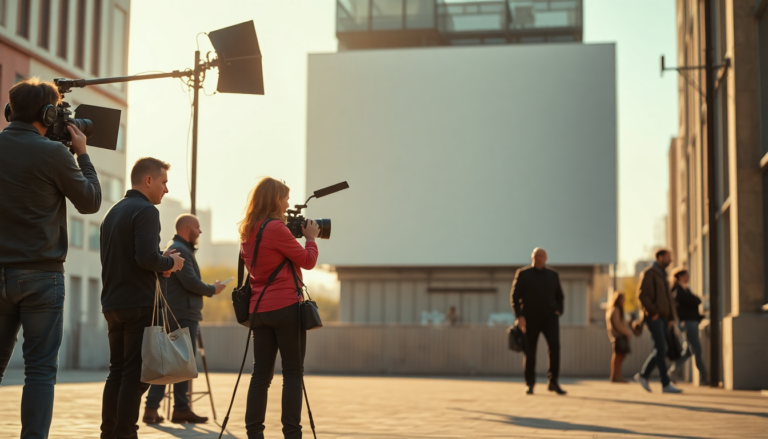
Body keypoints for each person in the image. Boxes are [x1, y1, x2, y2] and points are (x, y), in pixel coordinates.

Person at [0, 78, 101, 438]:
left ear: (10, 111)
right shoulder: (54, 154)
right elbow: (90, 202)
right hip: (41, 275)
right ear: (47, 114)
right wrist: (82, 154)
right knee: (40, 370)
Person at [100, 158, 185, 439]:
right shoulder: (147, 210)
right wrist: (171, 263)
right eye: (163, 182)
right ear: (148, 180)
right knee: (134, 375)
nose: (166, 189)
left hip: (113, 303)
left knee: (117, 371)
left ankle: (109, 433)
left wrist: (161, 259)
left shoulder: (113, 212)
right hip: (139, 303)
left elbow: (130, 258)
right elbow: (146, 259)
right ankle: (126, 433)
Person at [240, 177, 319, 439]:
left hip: (259, 310)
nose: (287, 204)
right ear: (275, 199)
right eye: (285, 198)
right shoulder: (275, 228)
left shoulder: (247, 230)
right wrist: (310, 238)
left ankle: (254, 433)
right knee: (293, 373)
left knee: (260, 376)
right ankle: (292, 433)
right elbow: (307, 261)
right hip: (285, 308)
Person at [143, 214, 227, 424]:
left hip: (179, 312)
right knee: (181, 362)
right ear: (187, 229)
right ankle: (178, 408)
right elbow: (191, 282)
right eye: (197, 228)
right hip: (182, 314)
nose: (200, 231)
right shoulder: (179, 249)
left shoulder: (180, 248)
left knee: (171, 361)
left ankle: (154, 408)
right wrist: (213, 289)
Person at [511, 248, 566, 396]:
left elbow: (560, 297)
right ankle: (530, 383)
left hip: (550, 319)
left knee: (555, 347)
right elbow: (514, 297)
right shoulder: (523, 274)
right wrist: (519, 316)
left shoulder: (553, 275)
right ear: (532, 258)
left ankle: (553, 382)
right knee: (530, 351)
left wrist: (558, 311)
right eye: (536, 256)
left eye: (541, 256)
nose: (538, 258)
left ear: (546, 258)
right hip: (529, 319)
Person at [634, 249, 682, 394]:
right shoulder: (650, 273)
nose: (671, 259)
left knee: (662, 349)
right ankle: (665, 383)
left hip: (664, 318)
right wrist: (652, 312)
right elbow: (642, 295)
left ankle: (643, 375)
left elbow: (667, 299)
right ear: (660, 257)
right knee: (661, 348)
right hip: (655, 317)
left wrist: (670, 318)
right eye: (668, 257)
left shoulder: (662, 274)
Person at [667, 268, 707, 385]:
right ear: (680, 277)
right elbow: (695, 301)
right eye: (686, 275)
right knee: (697, 348)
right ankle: (704, 375)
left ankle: (672, 371)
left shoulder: (685, 289)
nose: (688, 277)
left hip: (691, 322)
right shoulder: (678, 291)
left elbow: (696, 301)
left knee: (688, 351)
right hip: (688, 323)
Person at [606, 292, 632, 383]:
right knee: (617, 356)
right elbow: (617, 325)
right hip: (618, 336)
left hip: (619, 335)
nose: (624, 301)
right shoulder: (615, 310)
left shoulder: (618, 310)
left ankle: (617, 375)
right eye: (623, 299)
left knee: (620, 356)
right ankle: (615, 376)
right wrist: (626, 332)